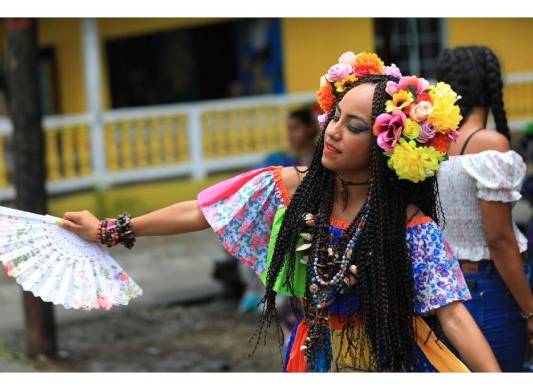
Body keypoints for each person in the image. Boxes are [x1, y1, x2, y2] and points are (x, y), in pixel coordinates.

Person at [59, 51, 500, 372]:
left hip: (390, 361)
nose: (334, 132)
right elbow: (202, 210)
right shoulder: (293, 187)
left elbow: (453, 315)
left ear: (390, 148)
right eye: (336, 117)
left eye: (356, 126)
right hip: (313, 357)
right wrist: (109, 230)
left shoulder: (409, 228)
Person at [436, 45, 533, 372]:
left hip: (447, 294)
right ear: (490, 86)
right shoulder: (488, 145)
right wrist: (530, 310)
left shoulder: (429, 145)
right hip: (489, 291)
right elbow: (499, 240)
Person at [238, 107, 318, 315]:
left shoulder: (322, 158)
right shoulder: (279, 158)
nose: (291, 134)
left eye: (296, 128)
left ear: (311, 128)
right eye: (289, 129)